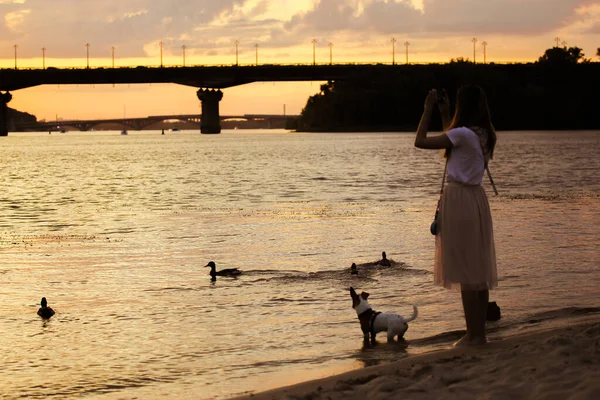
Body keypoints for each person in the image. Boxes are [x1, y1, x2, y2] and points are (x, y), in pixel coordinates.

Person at [414, 84, 498, 346]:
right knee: (477, 268)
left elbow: (421, 141)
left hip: (460, 199)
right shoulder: (483, 134)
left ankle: (473, 335)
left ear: (464, 107)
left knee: (465, 269)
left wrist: (427, 110)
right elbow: (453, 141)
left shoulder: (463, 134)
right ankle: (478, 333)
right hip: (475, 198)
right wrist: (446, 112)